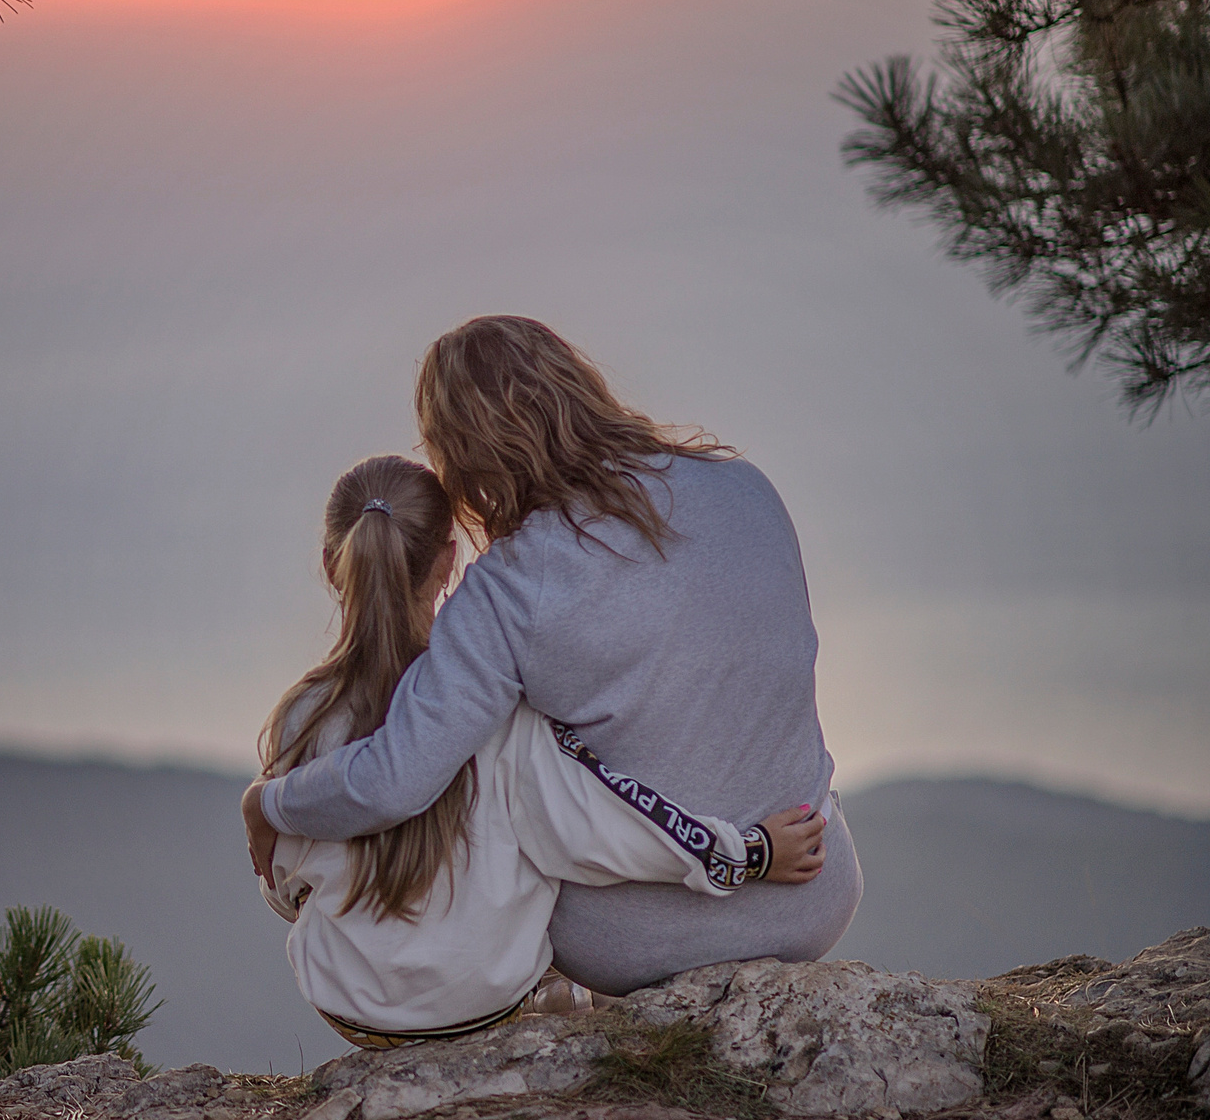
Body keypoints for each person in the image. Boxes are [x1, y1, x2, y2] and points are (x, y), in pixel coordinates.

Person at [244, 316, 862, 997]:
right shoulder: (749, 487)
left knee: (507, 738)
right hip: (813, 891)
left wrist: (270, 803)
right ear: (580, 385)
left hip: (633, 941)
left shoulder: (510, 584)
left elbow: (396, 781)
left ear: (463, 461)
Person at [257, 455, 824, 1044]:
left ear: (331, 565)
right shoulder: (503, 713)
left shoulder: (300, 715)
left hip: (347, 1005)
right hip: (478, 1004)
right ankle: (552, 991)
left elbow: (282, 885)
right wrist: (750, 851)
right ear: (450, 563)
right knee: (544, 860)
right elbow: (605, 826)